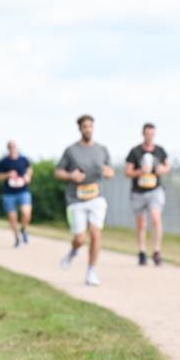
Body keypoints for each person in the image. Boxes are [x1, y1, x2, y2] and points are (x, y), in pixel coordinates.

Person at [55, 115, 114, 286]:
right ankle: (73, 251)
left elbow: (110, 172)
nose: (88, 129)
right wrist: (70, 175)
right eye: (85, 126)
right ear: (80, 128)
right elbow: (58, 172)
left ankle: (91, 271)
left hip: (96, 197)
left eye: (90, 126)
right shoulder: (71, 150)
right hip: (76, 199)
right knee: (80, 238)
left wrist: (108, 173)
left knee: (95, 234)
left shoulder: (102, 150)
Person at [124, 123, 170, 266]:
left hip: (155, 190)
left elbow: (167, 166)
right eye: (147, 134)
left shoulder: (160, 151)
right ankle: (142, 251)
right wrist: (140, 171)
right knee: (141, 223)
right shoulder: (135, 152)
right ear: (143, 134)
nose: (150, 137)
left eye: (152, 134)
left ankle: (156, 251)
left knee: (156, 218)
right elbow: (127, 172)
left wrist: (162, 169)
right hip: (138, 192)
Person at [0, 141, 34, 247]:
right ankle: (17, 239)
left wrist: (28, 176)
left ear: (16, 147)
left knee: (26, 213)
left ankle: (23, 229)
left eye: (13, 146)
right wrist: (8, 174)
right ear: (7, 148)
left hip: (23, 191)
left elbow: (29, 169)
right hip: (9, 193)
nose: (12, 148)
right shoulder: (3, 161)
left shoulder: (23, 159)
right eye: (10, 147)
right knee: (12, 218)